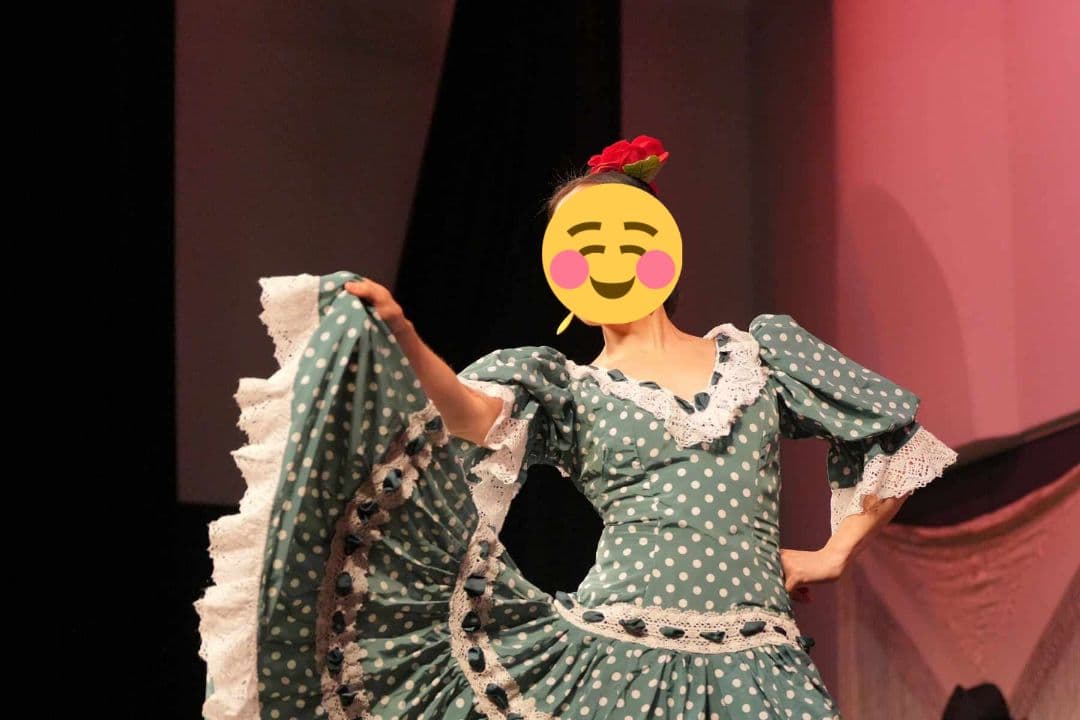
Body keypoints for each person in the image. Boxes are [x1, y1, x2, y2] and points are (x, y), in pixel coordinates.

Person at [196, 137, 959, 719]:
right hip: (617, 655)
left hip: (762, 664)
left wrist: (835, 553)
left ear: (662, 247)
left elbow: (888, 431)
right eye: (585, 246)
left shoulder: (759, 356)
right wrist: (404, 336)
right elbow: (473, 414)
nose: (608, 259)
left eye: (624, 240)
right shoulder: (565, 386)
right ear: (560, 267)